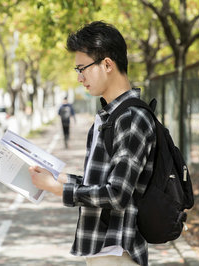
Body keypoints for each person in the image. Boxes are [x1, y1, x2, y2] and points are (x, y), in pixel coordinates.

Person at [29, 21, 156, 266]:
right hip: (104, 250)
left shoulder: (131, 118)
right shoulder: (111, 116)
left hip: (117, 252)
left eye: (82, 68)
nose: (79, 78)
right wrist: (58, 178)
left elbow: (117, 195)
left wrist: (58, 189)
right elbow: (104, 184)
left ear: (107, 64)